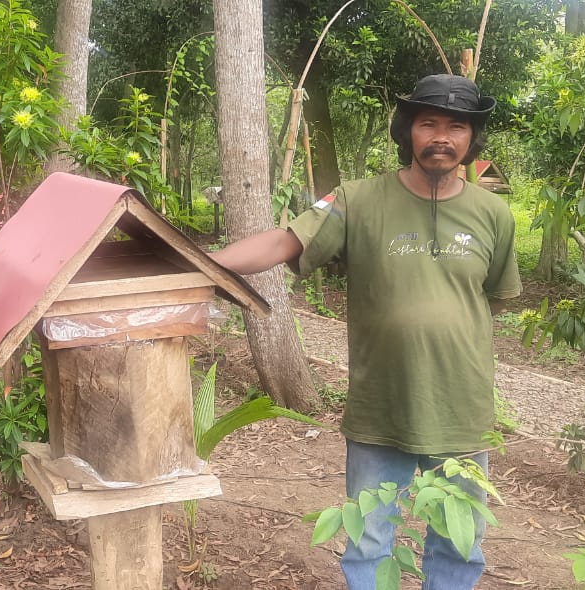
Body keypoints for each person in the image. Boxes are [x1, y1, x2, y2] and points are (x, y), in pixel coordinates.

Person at [210, 74, 521, 590]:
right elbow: (286, 242)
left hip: (462, 408)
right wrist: (201, 264)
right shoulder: (359, 199)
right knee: (370, 538)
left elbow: (491, 298)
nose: (441, 136)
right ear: (408, 131)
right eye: (428, 123)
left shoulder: (495, 214)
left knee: (459, 544)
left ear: (472, 138)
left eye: (456, 126)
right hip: (380, 405)